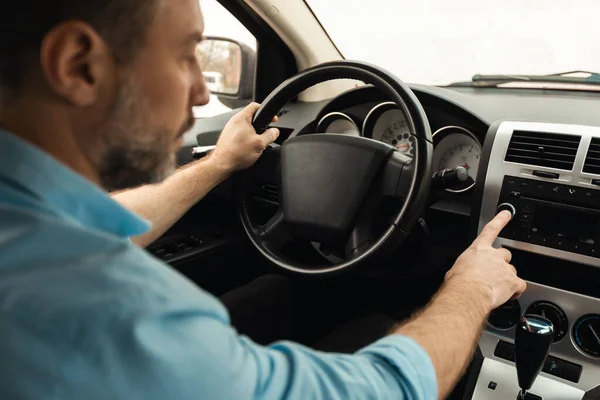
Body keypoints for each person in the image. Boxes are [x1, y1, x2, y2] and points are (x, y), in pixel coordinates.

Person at [0, 0, 526, 399]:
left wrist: (220, 163)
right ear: (78, 66)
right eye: (186, 55)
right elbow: (368, 389)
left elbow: (107, 221)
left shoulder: (28, 218)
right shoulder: (110, 311)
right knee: (381, 330)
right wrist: (470, 289)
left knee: (280, 293)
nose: (203, 93)